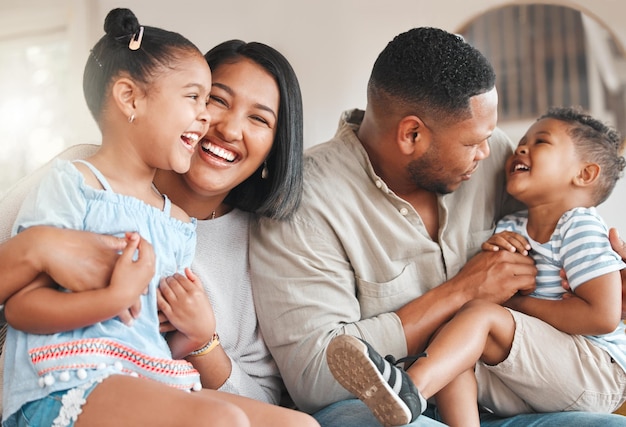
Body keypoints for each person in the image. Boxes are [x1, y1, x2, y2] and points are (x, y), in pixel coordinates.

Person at [248, 26, 626, 427]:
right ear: (412, 134)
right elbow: (316, 379)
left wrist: (611, 272)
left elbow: (567, 229)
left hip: (500, 392)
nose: (492, 150)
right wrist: (462, 291)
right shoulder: (303, 201)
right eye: (472, 144)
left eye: (489, 137)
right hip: (373, 409)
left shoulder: (493, 155)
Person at [1, 8, 317, 427]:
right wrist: (46, 251)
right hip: (69, 377)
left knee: (300, 426)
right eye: (208, 99)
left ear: (275, 148)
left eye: (259, 118)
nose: (216, 123)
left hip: (153, 379)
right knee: (222, 421)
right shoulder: (76, 178)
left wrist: (202, 340)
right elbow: (18, 307)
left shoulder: (182, 225)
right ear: (133, 99)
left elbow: (157, 335)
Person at [326, 106, 626, 427]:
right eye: (523, 140)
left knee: (479, 316)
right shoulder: (512, 227)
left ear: (585, 174)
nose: (521, 147)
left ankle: (409, 388)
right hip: (538, 374)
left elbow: (603, 316)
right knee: (452, 346)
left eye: (541, 141)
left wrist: (514, 303)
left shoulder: (579, 226)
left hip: (595, 367)